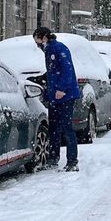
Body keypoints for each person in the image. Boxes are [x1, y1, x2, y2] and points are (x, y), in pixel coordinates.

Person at [33, 27, 82, 171]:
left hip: (65, 96)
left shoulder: (59, 48)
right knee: (54, 127)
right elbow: (52, 72)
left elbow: (67, 70)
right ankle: (53, 158)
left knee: (67, 128)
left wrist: (61, 88)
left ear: (44, 38)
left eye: (38, 42)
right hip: (54, 97)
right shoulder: (48, 50)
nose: (38, 45)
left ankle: (72, 161)